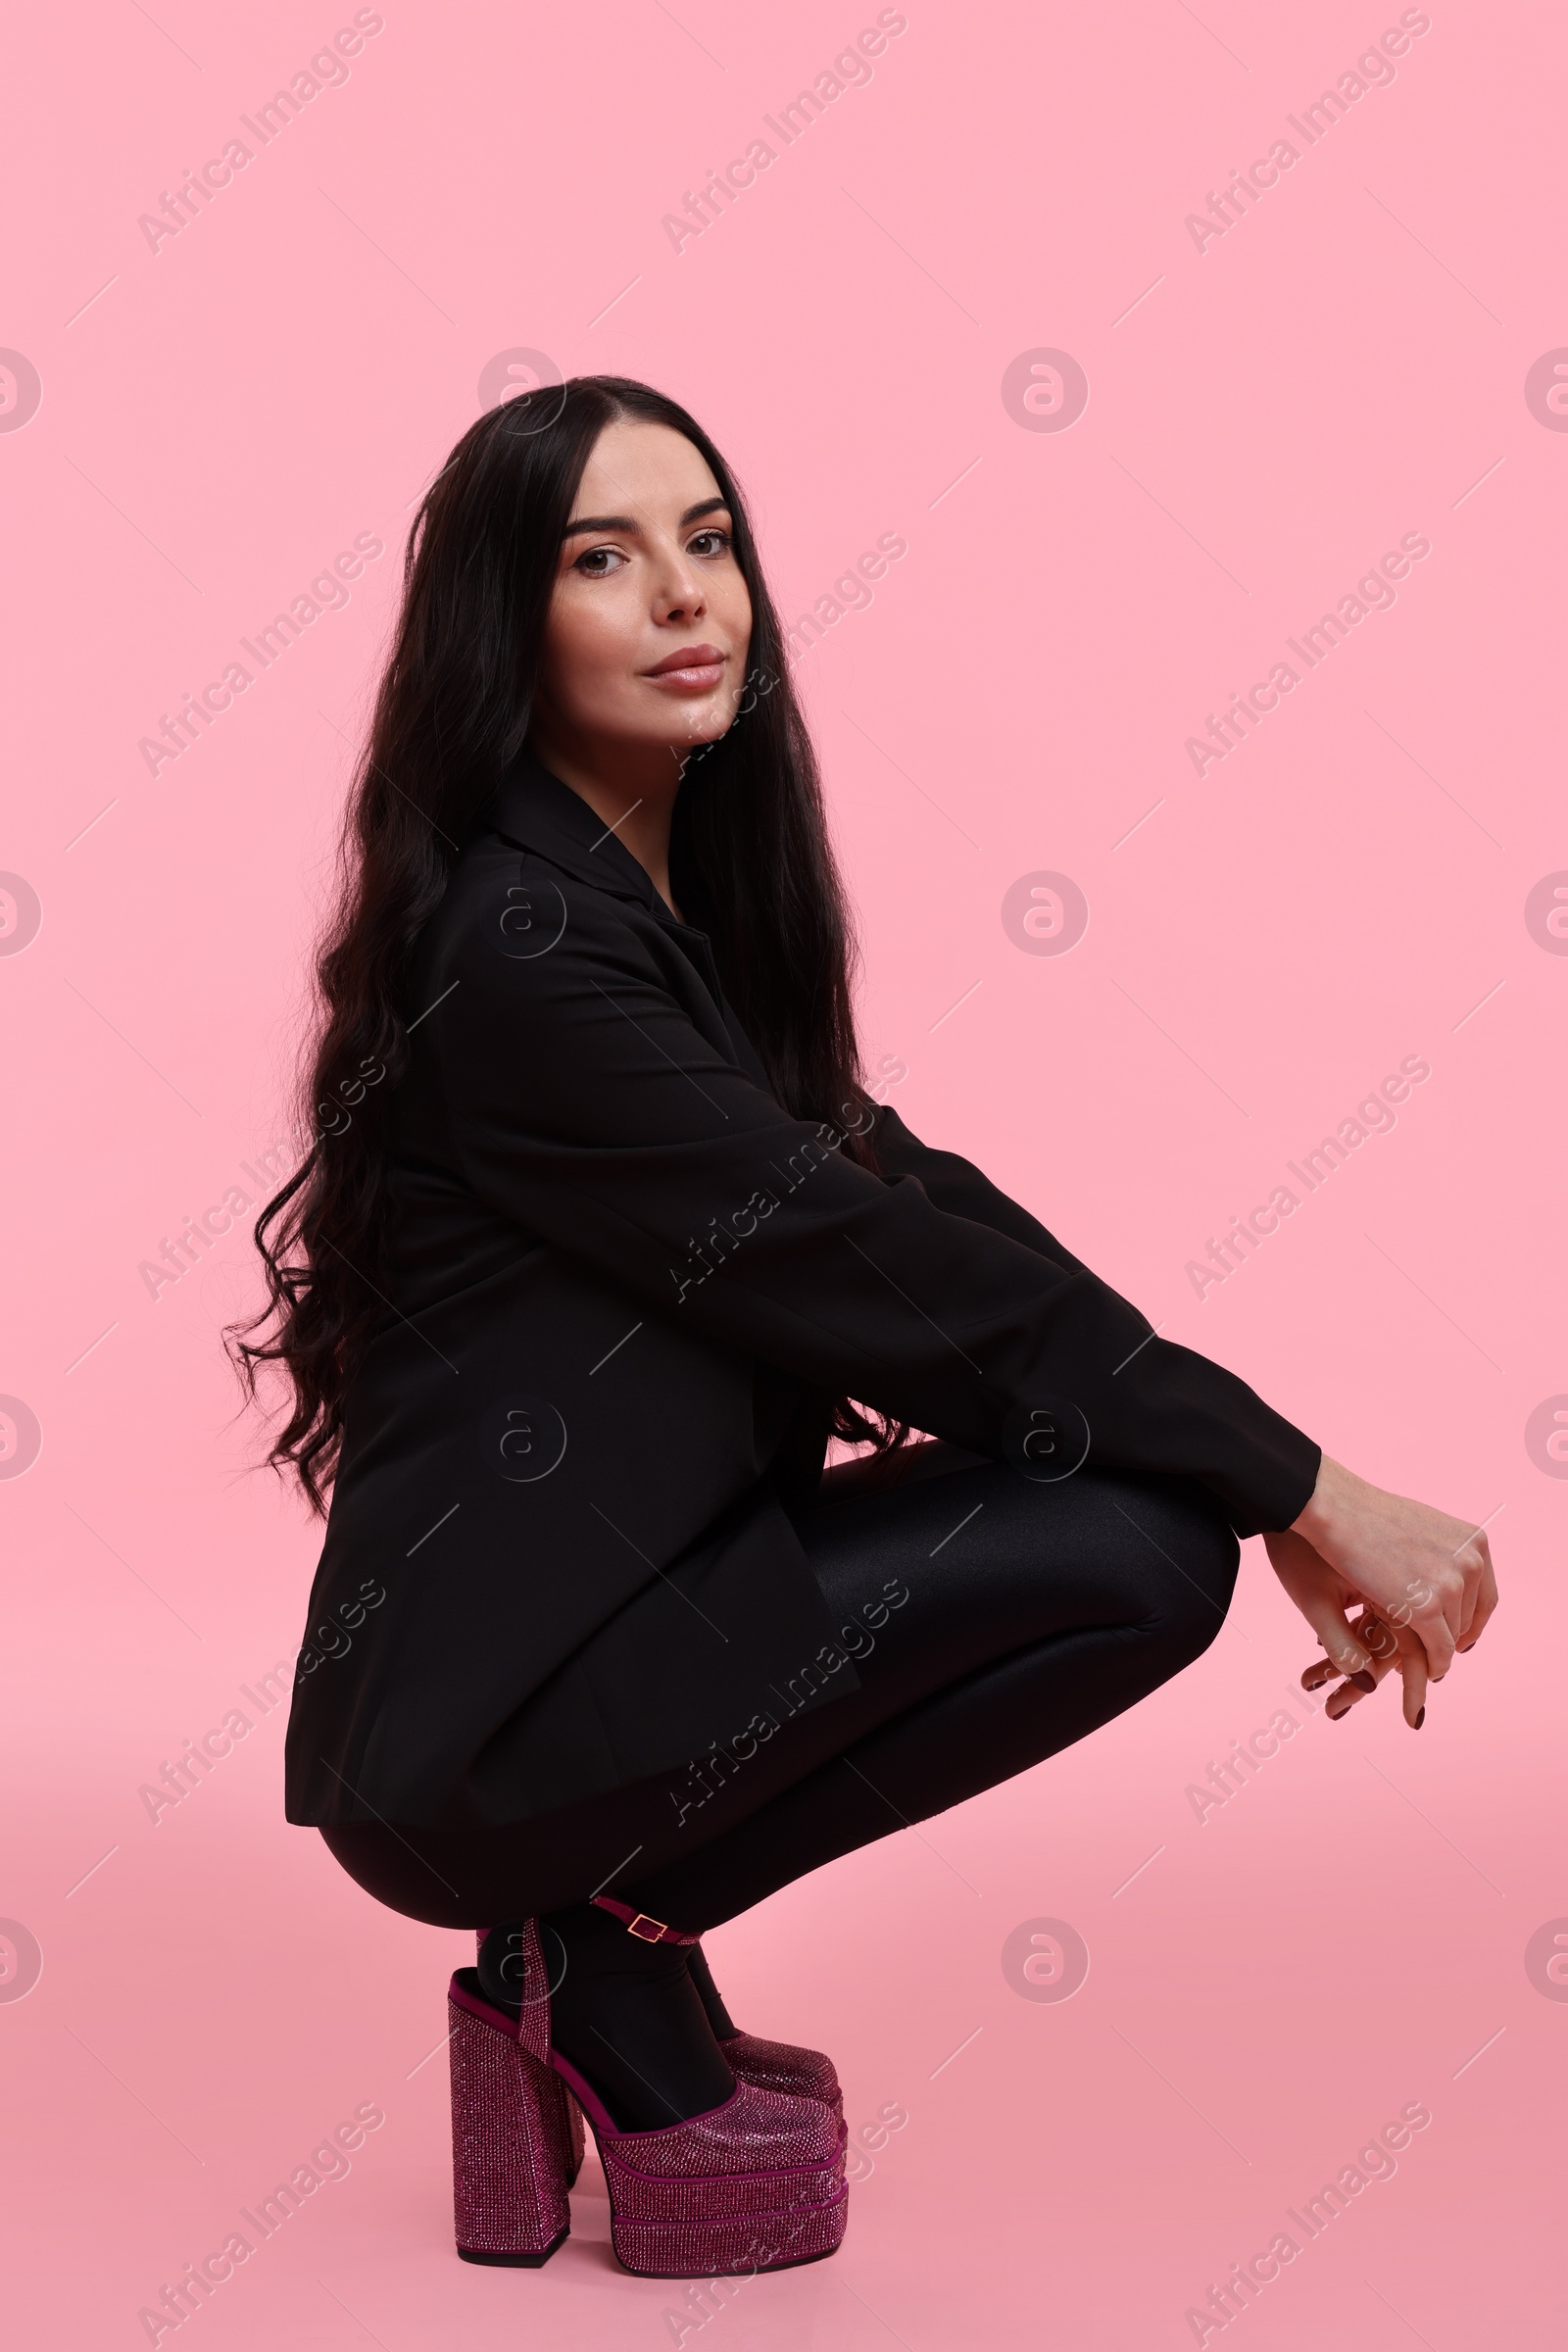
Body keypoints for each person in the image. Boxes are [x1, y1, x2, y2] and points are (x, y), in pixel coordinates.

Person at [229, 375, 1497, 2280]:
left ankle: (578, 1962)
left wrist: (1280, 1485)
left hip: (584, 1651)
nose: (682, 596)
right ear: (508, 619)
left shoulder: (646, 905)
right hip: (475, 1743)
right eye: (602, 557)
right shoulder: (524, 956)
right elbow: (880, 1278)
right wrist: (1303, 1484)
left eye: (707, 539)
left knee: (1150, 1514)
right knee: (1135, 1546)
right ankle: (596, 1957)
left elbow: (917, 1206)